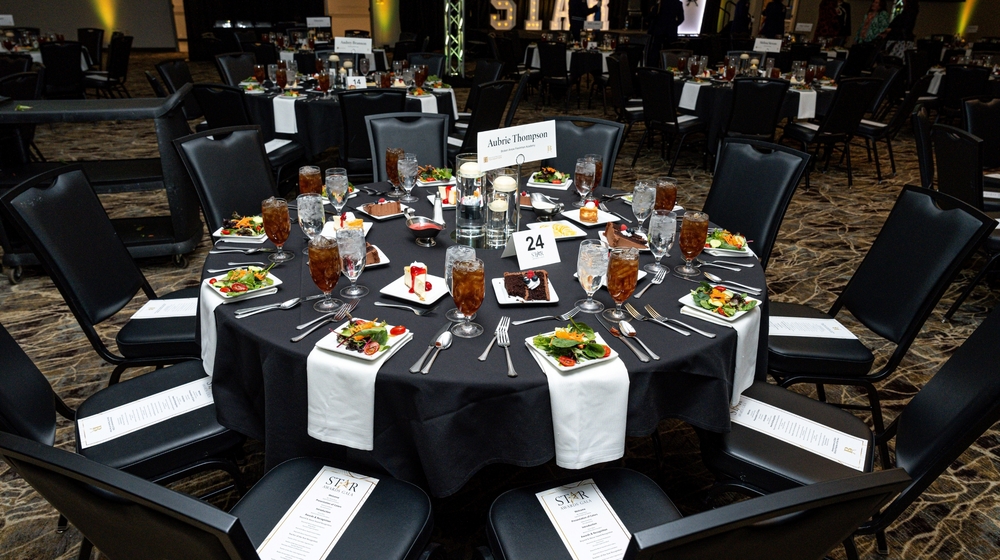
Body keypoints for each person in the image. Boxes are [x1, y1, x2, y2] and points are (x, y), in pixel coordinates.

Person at [647, 0, 684, 66]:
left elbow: (652, 15)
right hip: (671, 32)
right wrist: (673, 25)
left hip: (659, 29)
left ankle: (653, 68)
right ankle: (668, 67)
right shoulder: (678, 3)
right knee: (669, 51)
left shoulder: (661, 2)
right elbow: (681, 19)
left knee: (655, 51)